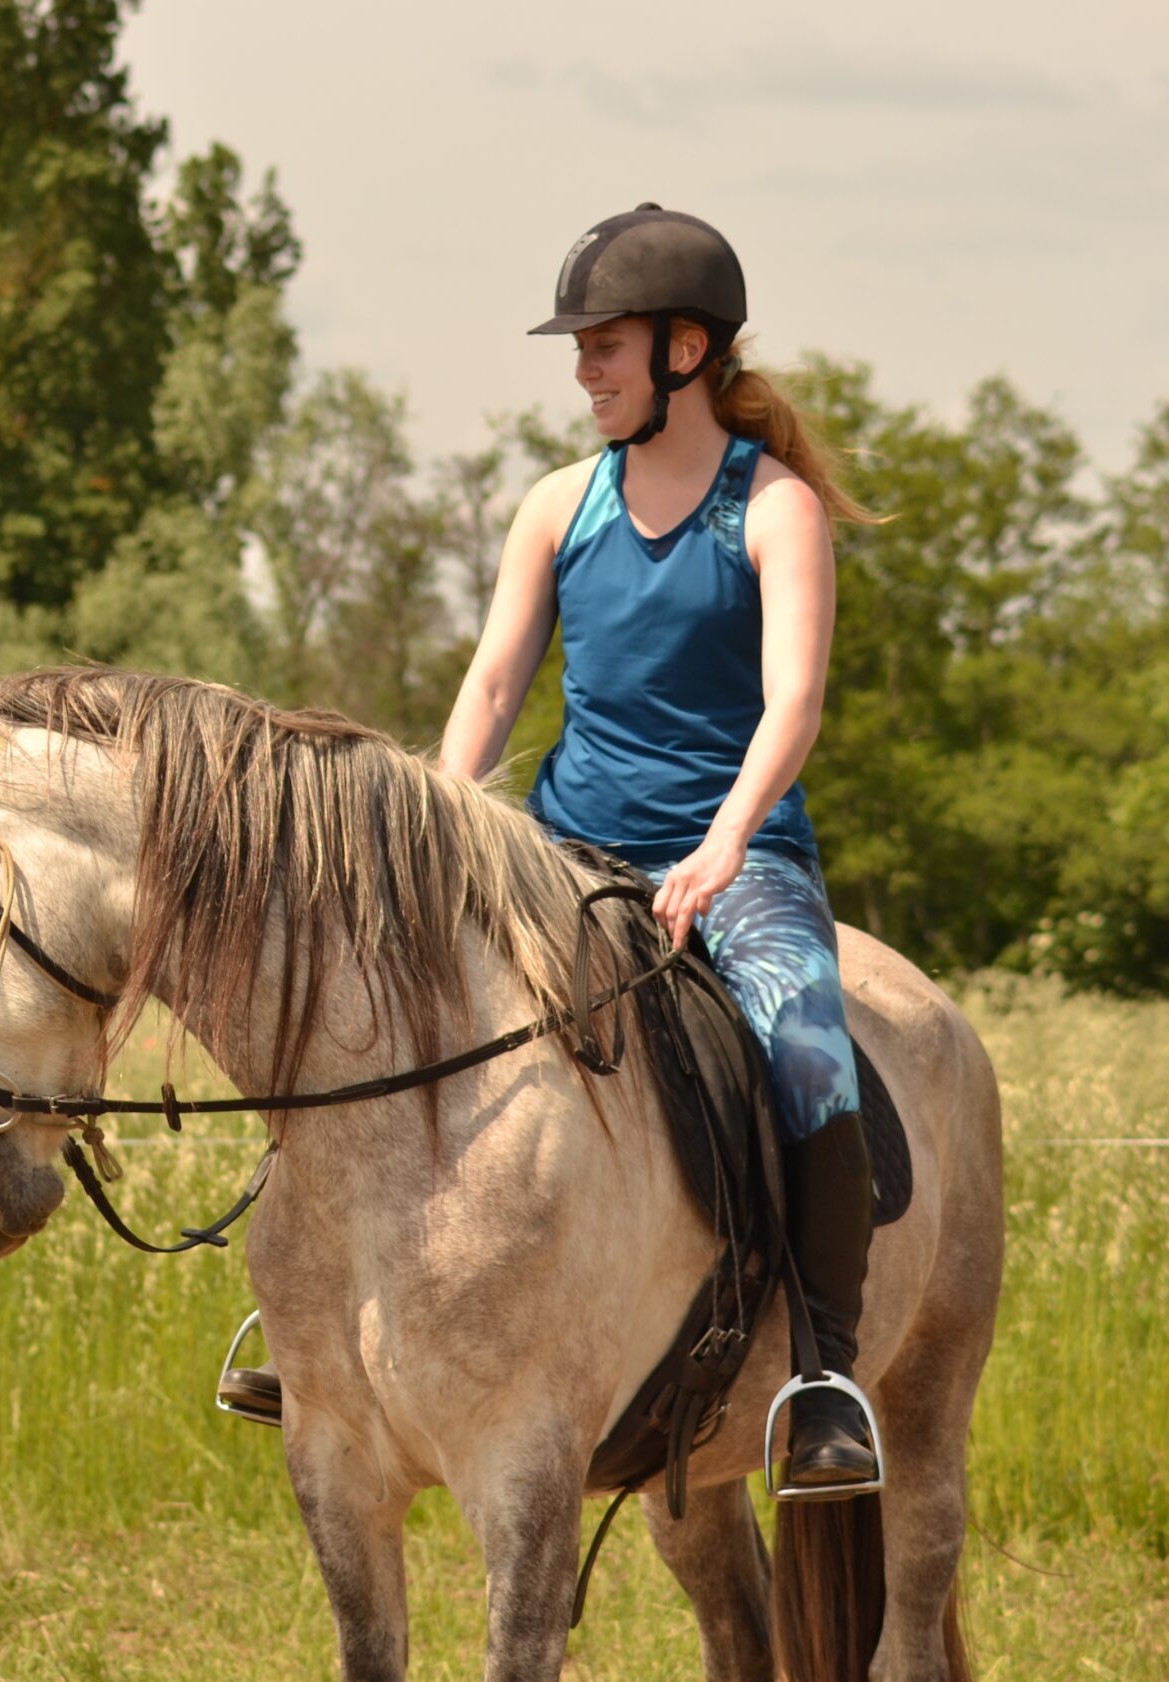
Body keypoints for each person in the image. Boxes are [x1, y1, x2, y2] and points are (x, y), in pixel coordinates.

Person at [220, 204, 884, 1498]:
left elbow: (791, 703)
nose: (583, 370)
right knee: (360, 1007)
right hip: (558, 847)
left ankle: (823, 1374)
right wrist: (412, 835)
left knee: (810, 1048)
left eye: (604, 345)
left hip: (730, 856)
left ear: (686, 349)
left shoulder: (775, 506)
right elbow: (490, 685)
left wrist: (720, 844)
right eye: (580, 347)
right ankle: (300, 1319)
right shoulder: (556, 506)